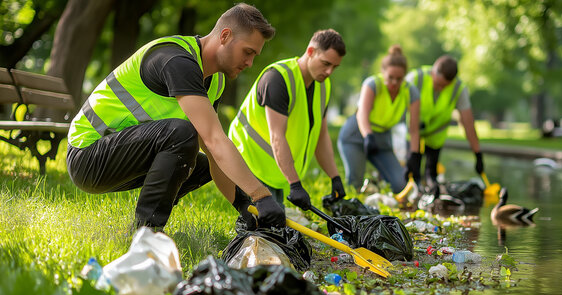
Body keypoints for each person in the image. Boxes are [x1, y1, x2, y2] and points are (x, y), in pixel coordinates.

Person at [66, 3, 285, 231]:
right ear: (225, 36)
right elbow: (214, 140)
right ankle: (146, 233)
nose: (250, 63)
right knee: (182, 135)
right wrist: (262, 196)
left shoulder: (215, 81)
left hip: (118, 153)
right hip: (88, 155)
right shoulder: (177, 60)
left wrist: (245, 205)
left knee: (199, 164)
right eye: (248, 52)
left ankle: (149, 222)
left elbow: (214, 155)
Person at [228, 29, 347, 211]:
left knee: (277, 227)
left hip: (275, 169)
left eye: (335, 67)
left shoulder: (323, 86)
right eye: (325, 63)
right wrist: (295, 185)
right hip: (248, 161)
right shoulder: (278, 78)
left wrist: (335, 177)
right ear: (310, 52)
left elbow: (321, 136)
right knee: (265, 226)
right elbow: (277, 136)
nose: (329, 71)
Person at [337, 45, 420, 194]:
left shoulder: (410, 91)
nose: (394, 83)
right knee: (354, 184)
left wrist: (414, 155)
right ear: (383, 72)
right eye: (391, 78)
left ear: (405, 76)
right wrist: (368, 136)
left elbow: (414, 129)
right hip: (356, 136)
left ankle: (377, 189)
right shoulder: (373, 84)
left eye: (399, 79)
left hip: (382, 139)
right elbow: (362, 114)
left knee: (399, 185)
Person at [405, 55, 483, 192]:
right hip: (413, 133)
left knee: (431, 179)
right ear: (433, 72)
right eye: (438, 84)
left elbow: (468, 124)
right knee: (411, 174)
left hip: (436, 138)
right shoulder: (416, 78)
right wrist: (413, 153)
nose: (441, 88)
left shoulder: (459, 89)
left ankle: (430, 188)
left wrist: (477, 154)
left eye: (445, 86)